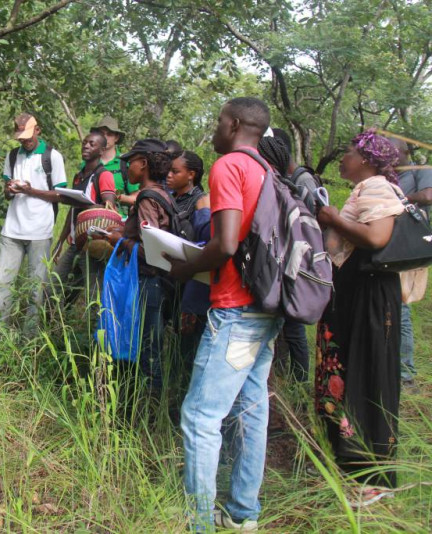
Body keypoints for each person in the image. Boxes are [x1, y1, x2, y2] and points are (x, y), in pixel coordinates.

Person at [166, 97, 282, 532]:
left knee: (200, 416)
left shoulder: (230, 165)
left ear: (233, 124)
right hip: (266, 307)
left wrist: (184, 267)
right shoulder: (268, 169)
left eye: (217, 122)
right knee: (251, 412)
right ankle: (242, 514)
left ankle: (197, 522)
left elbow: (227, 244)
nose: (214, 130)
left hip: (235, 311)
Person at [315, 131, 405, 501]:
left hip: (370, 295)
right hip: (353, 291)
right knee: (347, 366)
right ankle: (347, 460)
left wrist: (332, 218)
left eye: (349, 152)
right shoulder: (365, 188)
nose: (342, 158)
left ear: (367, 159)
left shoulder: (378, 189)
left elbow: (378, 237)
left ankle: (372, 476)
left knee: (368, 371)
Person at [99, 139, 177, 419]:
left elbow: (150, 251)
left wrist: (119, 240)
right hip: (156, 284)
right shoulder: (163, 194)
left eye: (130, 161)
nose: (126, 167)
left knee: (145, 352)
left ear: (143, 164)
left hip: (146, 284)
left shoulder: (146, 198)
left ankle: (142, 415)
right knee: (149, 349)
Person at [0, 113, 66, 324]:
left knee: (36, 290)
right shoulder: (13, 155)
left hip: (40, 231)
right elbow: (7, 194)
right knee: (1, 286)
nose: (24, 140)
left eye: (27, 136)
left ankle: (30, 338)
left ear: (38, 130)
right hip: (12, 230)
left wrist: (30, 190)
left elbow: (60, 194)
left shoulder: (52, 156)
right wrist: (10, 190)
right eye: (20, 137)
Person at [258, 135, 311, 382]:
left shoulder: (299, 182)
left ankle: (299, 378)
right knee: (283, 327)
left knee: (294, 327)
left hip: (294, 265)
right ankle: (280, 372)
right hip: (280, 266)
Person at [50, 131, 117, 308]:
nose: (86, 146)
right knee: (53, 288)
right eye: (85, 142)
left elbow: (110, 208)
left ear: (102, 150)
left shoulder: (104, 175)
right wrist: (60, 241)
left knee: (94, 296)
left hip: (92, 244)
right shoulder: (79, 176)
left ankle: (96, 333)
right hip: (74, 243)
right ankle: (56, 326)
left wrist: (89, 207)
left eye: (92, 144)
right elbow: (73, 211)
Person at [165, 151, 211, 402]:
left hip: (191, 282)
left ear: (191, 175)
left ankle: (186, 391)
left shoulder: (201, 202)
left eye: (176, 172)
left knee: (188, 343)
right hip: (169, 276)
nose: (169, 176)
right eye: (169, 171)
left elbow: (203, 240)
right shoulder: (171, 197)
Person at [390, 137, 432, 389]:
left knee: (402, 306)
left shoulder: (421, 171)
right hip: (388, 247)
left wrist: (399, 200)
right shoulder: (385, 175)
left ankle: (406, 374)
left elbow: (428, 195)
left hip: (410, 247)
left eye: (394, 152)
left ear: (406, 152)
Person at [90, 116, 137, 215]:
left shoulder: (125, 164)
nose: (105, 137)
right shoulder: (88, 163)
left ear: (116, 137)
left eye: (109, 134)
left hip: (119, 223)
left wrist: (113, 195)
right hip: (89, 220)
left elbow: (136, 198)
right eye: (101, 134)